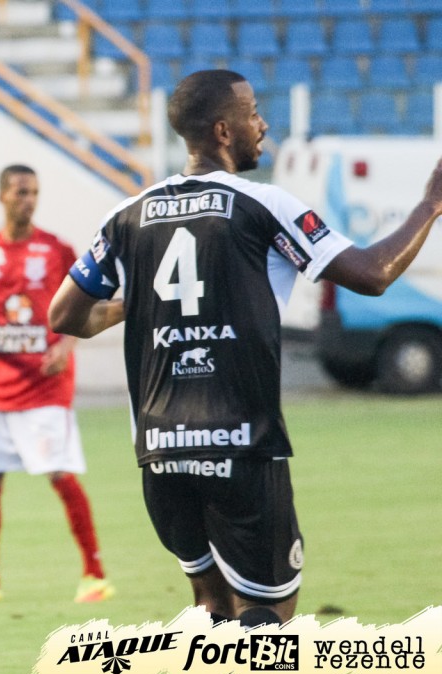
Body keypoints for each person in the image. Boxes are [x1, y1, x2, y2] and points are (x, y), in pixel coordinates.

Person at [49, 69, 442, 628]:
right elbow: (372, 274)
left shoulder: (129, 214)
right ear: (223, 130)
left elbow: (64, 314)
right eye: (253, 111)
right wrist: (430, 205)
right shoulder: (264, 204)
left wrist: (134, 306)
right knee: (265, 614)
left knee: (210, 609)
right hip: (241, 444)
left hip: (160, 451)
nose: (262, 123)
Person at [0, 164, 113, 605]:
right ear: (2, 196)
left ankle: (94, 575)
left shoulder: (56, 249)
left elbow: (85, 306)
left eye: (35, 192)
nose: (29, 199)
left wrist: (66, 347)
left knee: (60, 473)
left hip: (45, 386)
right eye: (21, 192)